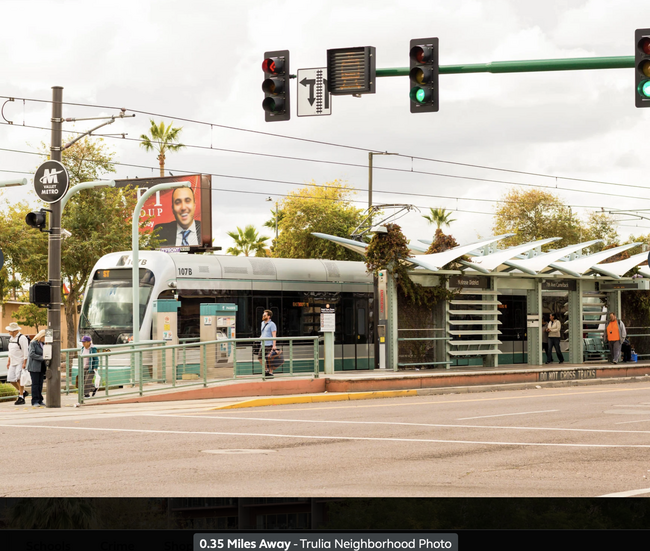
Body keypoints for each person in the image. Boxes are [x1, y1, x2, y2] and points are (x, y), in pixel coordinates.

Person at [6, 322, 29, 405]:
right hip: (13, 361)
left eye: (10, 331)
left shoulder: (22, 338)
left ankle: (21, 396)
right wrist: (9, 361)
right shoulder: (11, 338)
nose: (9, 332)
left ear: (14, 331)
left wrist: (24, 363)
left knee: (19, 378)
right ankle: (22, 391)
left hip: (20, 361)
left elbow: (25, 351)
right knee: (11, 378)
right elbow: (10, 351)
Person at [27, 330, 47, 407]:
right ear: (41, 336)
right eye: (44, 337)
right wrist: (42, 358)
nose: (44, 339)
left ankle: (40, 399)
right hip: (34, 366)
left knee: (40, 384)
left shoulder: (43, 344)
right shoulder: (33, 343)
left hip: (41, 366)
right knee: (35, 384)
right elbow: (31, 354)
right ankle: (35, 400)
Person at [258, 309, 277, 377]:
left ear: (269, 316)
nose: (263, 316)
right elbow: (263, 333)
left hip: (269, 344)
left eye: (265, 315)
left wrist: (274, 346)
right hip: (262, 344)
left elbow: (274, 335)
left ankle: (270, 372)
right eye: (263, 315)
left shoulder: (272, 324)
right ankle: (266, 370)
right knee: (260, 358)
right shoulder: (262, 323)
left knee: (269, 359)